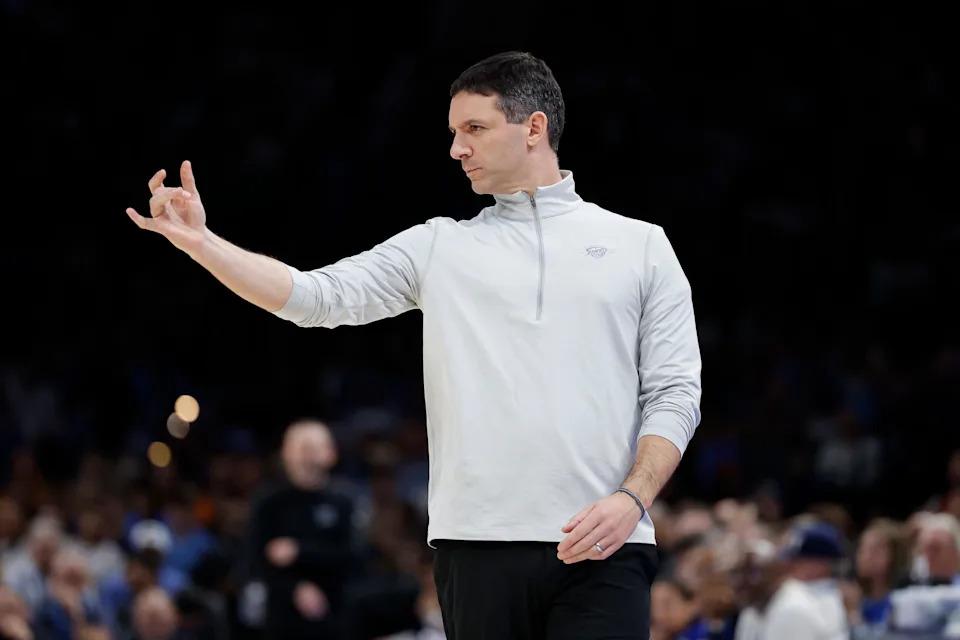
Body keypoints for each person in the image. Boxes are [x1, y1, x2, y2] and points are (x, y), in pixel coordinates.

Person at [126, 50, 703, 639]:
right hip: (476, 544)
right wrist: (202, 243)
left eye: (473, 129)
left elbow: (676, 393)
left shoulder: (641, 246)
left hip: (607, 541)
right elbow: (313, 297)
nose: (456, 149)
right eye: (453, 133)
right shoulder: (438, 248)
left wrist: (633, 499)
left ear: (534, 127)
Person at [241, 419, 357, 639]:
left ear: (331, 453)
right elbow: (254, 560)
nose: (308, 457)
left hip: (337, 611)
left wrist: (299, 551)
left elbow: (353, 555)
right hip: (282, 618)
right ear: (285, 454)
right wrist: (294, 590)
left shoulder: (344, 501)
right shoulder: (269, 502)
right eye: (302, 449)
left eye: (313, 449)